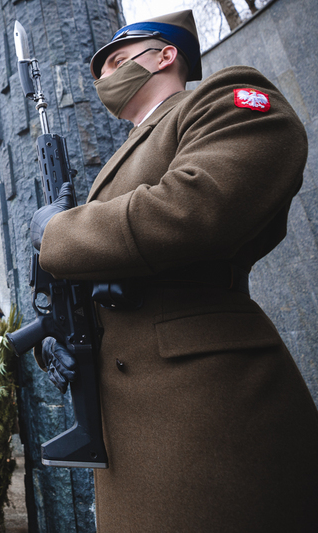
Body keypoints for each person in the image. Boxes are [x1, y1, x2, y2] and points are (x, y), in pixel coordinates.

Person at [30, 10, 318, 532]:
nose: (105, 79)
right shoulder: (130, 150)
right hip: (129, 423)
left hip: (204, 413)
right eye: (101, 71)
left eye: (118, 61)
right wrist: (69, 340)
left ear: (165, 56)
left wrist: (60, 233)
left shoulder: (225, 99)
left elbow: (196, 206)